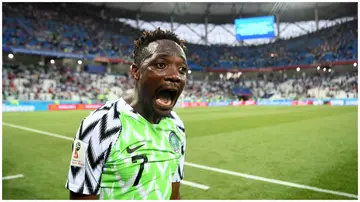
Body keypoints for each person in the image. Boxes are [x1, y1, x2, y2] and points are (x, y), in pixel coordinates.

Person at [65, 28, 188, 200]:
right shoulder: (99, 126)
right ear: (136, 72)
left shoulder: (177, 126)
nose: (175, 76)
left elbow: (174, 194)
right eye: (161, 65)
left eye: (182, 69)